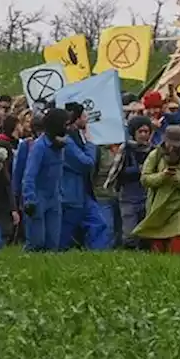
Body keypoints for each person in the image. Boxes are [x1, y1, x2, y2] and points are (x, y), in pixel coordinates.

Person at [131, 124, 180, 253]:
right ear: (164, 140)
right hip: (158, 206)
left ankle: (178, 268)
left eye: (176, 144)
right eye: (171, 143)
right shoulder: (155, 156)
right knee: (157, 243)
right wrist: (162, 176)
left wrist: (177, 179)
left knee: (179, 240)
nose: (173, 147)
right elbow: (145, 179)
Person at [59, 102, 111, 250]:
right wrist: (90, 143)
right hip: (71, 193)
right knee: (66, 233)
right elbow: (86, 162)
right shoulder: (68, 140)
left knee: (99, 223)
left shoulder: (75, 136)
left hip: (82, 192)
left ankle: (97, 254)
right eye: (83, 115)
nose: (86, 118)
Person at [22, 108, 68, 251]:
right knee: (37, 242)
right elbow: (29, 175)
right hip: (38, 198)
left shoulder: (60, 146)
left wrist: (60, 193)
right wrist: (29, 199)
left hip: (54, 198)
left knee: (53, 242)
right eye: (64, 124)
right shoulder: (39, 147)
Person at [106, 116, 155, 249]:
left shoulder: (154, 151)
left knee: (146, 231)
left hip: (147, 195)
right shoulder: (126, 149)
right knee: (129, 232)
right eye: (141, 132)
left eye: (147, 131)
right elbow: (117, 172)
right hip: (128, 195)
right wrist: (137, 170)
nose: (144, 135)